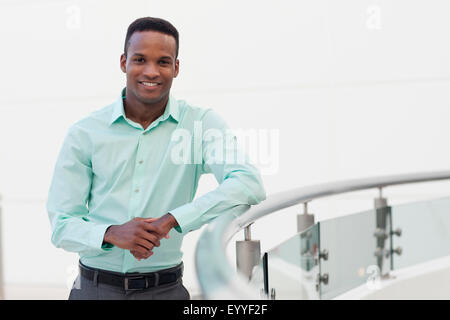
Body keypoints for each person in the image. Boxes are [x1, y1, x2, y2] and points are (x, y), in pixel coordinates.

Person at [46, 17, 266, 300]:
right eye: (140, 59)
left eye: (163, 62)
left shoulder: (199, 124)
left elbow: (248, 183)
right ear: (124, 62)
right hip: (94, 290)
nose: (151, 71)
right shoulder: (85, 132)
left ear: (176, 68)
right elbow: (62, 225)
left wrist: (172, 220)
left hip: (166, 290)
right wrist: (111, 234)